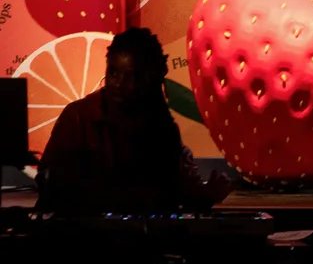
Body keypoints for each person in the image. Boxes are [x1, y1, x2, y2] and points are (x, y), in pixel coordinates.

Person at [34, 27, 230, 215]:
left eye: (132, 76)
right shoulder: (78, 117)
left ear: (151, 80)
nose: (119, 84)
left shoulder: (161, 125)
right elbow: (51, 184)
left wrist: (206, 194)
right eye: (113, 73)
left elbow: (180, 190)